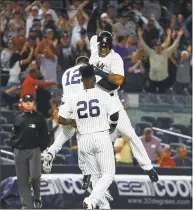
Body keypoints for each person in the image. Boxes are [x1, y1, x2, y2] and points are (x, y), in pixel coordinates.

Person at [86, 1, 158, 182]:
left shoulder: (115, 58)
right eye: (100, 44)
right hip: (95, 100)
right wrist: (94, 12)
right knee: (90, 137)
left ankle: (148, 167)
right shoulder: (95, 48)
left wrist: (98, 73)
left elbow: (116, 83)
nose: (102, 47)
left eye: (105, 46)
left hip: (111, 99)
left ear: (110, 46)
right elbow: (89, 31)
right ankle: (89, 173)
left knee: (131, 134)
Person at [42, 56, 113, 202]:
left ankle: (51, 152)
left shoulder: (67, 72)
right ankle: (98, 187)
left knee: (67, 132)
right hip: (82, 104)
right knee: (87, 143)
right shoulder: (88, 72)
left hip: (67, 105)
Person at [58, 64, 120, 209]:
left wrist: (71, 121)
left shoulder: (74, 97)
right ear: (94, 78)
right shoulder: (102, 94)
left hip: (84, 140)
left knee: (96, 177)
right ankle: (91, 200)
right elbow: (115, 115)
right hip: (100, 137)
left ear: (81, 79)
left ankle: (104, 207)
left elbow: (60, 119)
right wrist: (113, 126)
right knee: (108, 174)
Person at [8, 94, 51, 209]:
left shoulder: (39, 118)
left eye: (30, 101)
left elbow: (45, 136)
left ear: (33, 103)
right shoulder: (18, 117)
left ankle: (37, 197)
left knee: (35, 176)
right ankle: (27, 206)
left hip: (34, 151)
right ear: (22, 103)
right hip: (19, 152)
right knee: (22, 181)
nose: (28, 103)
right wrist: (14, 147)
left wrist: (39, 148)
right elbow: (13, 134)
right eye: (26, 101)